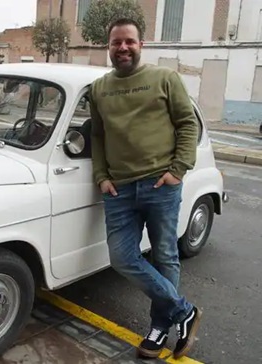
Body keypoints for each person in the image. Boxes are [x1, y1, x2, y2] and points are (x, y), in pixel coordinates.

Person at [88, 17, 202, 359]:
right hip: (118, 189)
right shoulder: (99, 89)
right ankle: (184, 312)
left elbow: (187, 124)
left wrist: (178, 170)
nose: (122, 47)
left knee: (165, 255)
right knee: (122, 257)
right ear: (108, 47)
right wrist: (101, 176)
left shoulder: (164, 78)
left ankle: (158, 327)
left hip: (160, 184)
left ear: (141, 45)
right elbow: (97, 135)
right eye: (115, 42)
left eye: (129, 42)